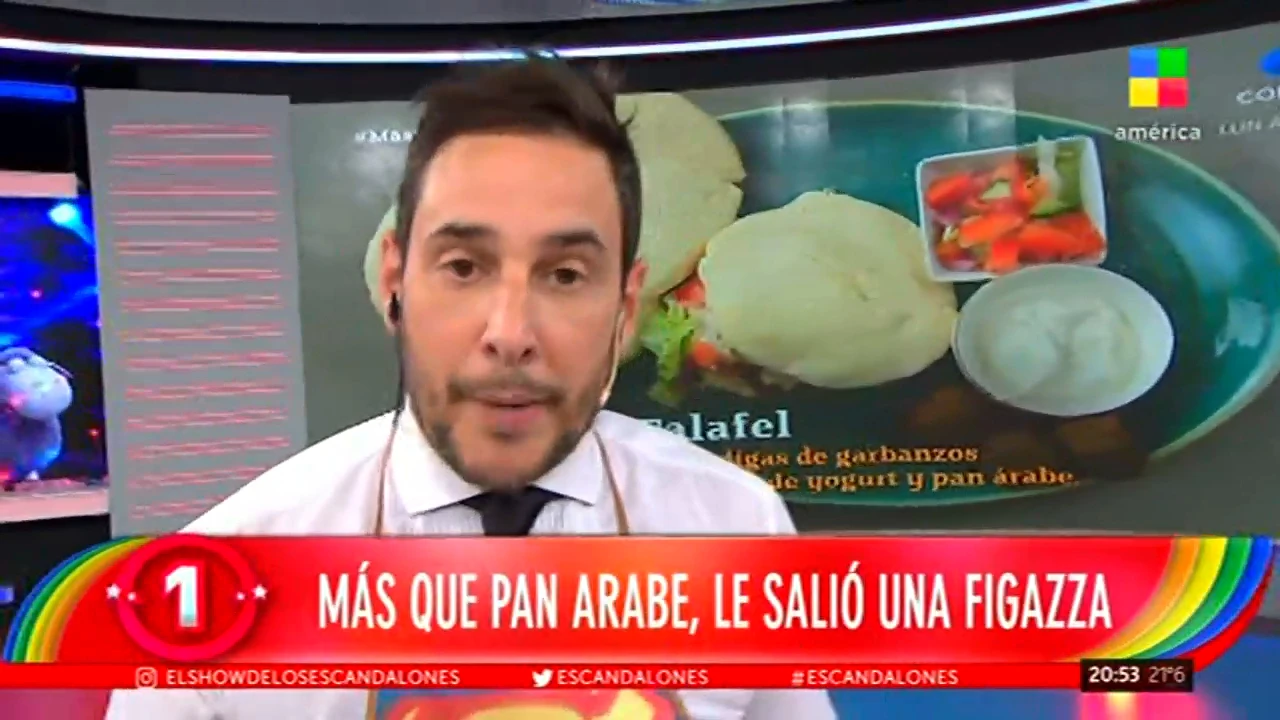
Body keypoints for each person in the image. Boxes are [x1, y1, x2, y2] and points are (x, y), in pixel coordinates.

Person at [105, 56, 836, 720]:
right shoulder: (220, 578)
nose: (510, 332)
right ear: (395, 281)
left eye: (565, 274)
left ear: (624, 305)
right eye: (463, 267)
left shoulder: (738, 525)